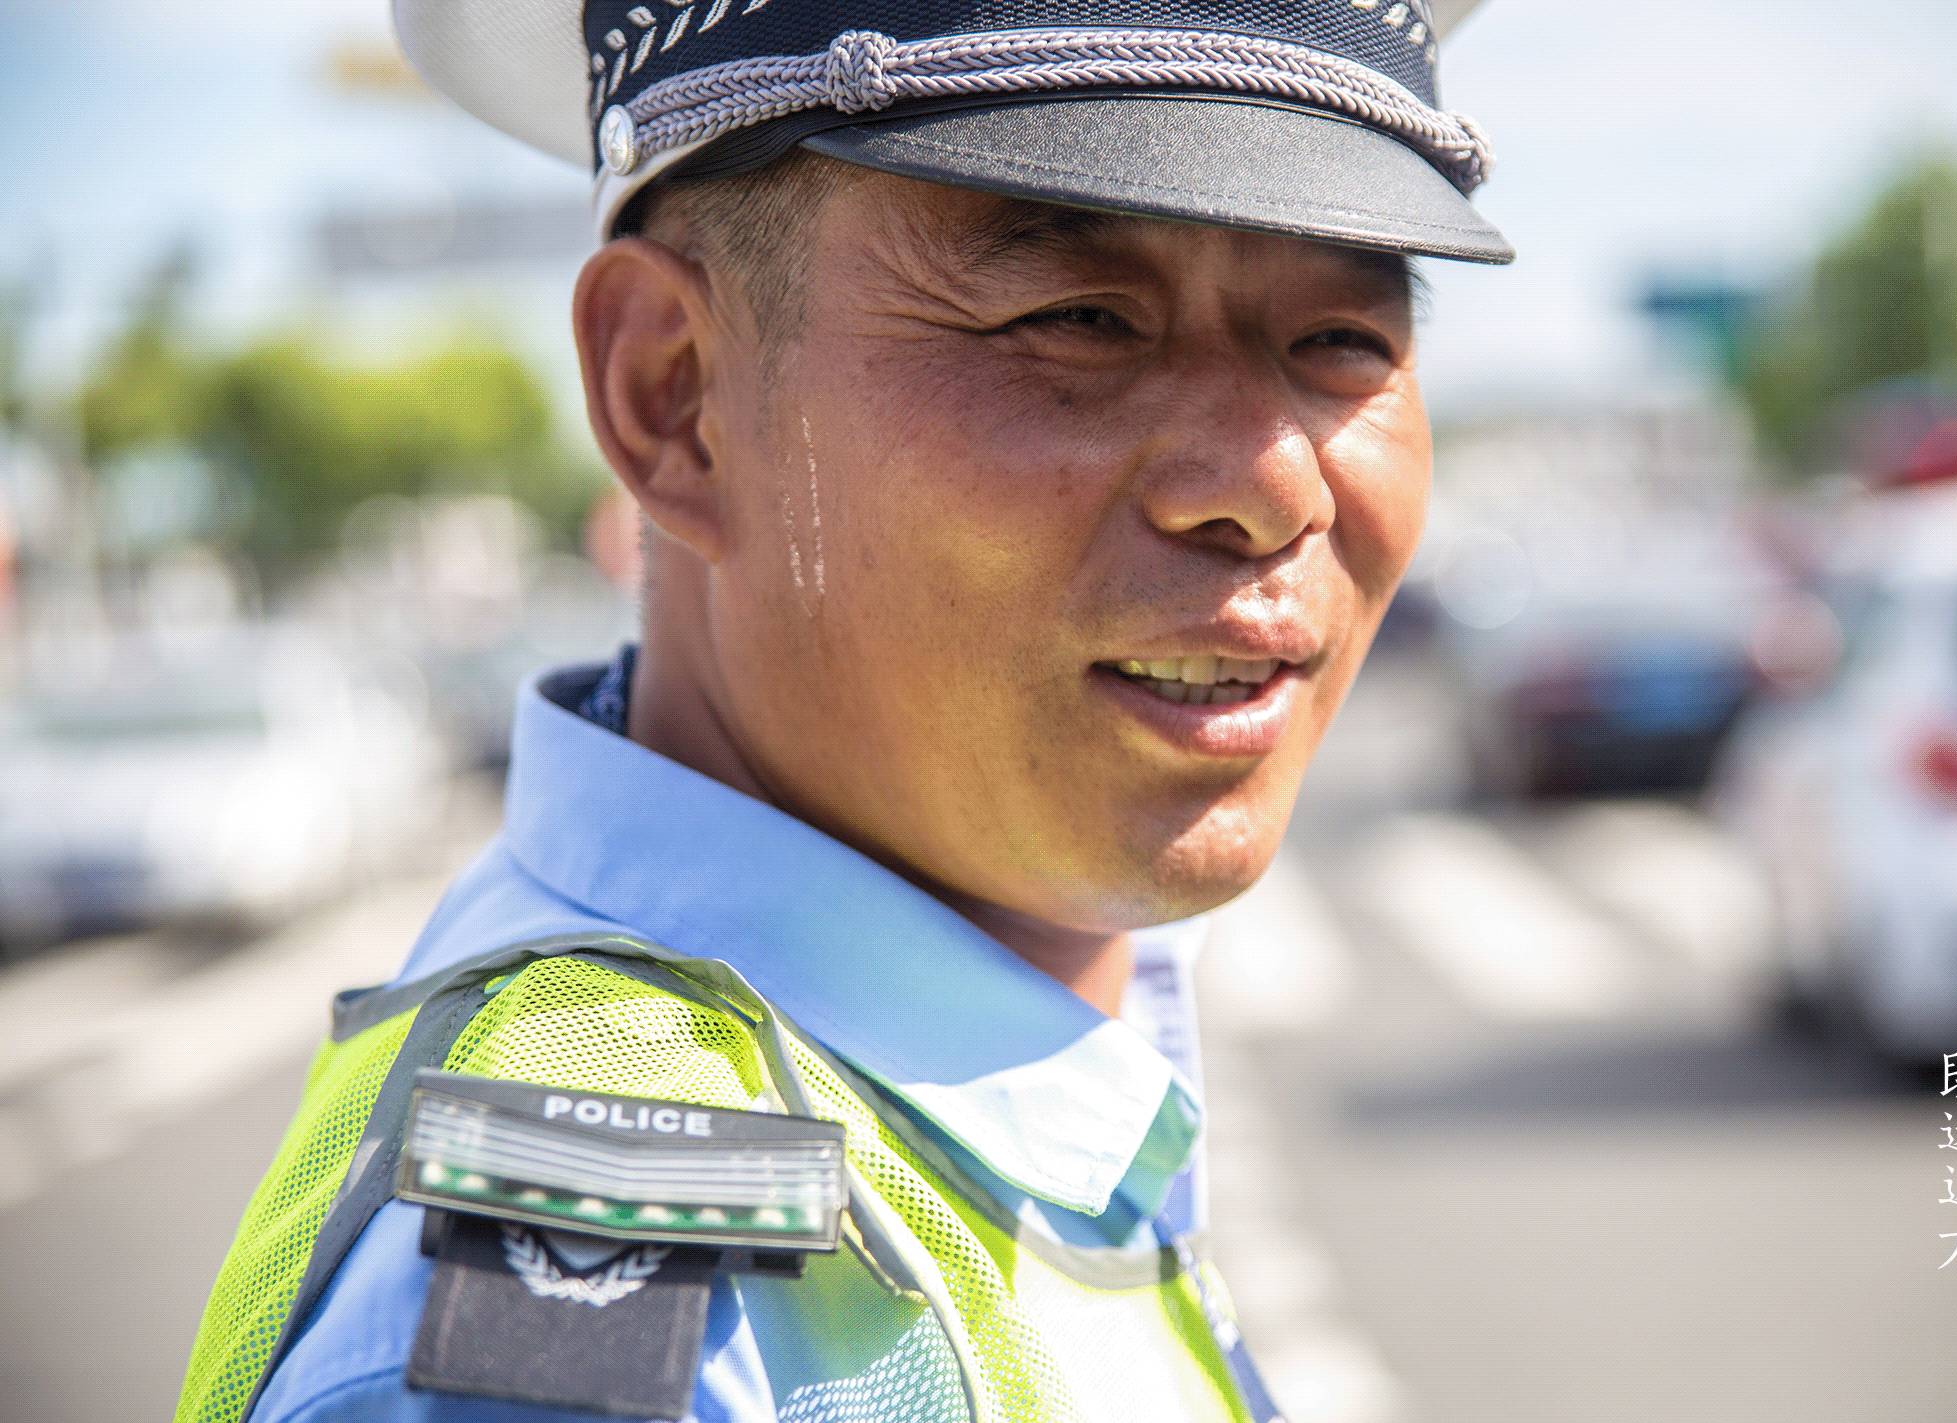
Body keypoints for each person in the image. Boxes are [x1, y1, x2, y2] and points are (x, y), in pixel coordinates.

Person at [176, 0, 1513, 1418]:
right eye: (1081, 320)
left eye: (1343, 340)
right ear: (674, 395)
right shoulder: (636, 1342)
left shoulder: (995, 1053)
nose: (1273, 488)